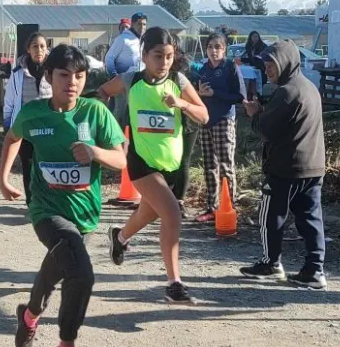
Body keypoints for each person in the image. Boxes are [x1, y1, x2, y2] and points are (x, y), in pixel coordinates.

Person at [0, 44, 126, 347]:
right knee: (81, 274)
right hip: (46, 211)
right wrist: (4, 177)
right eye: (64, 75)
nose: (72, 83)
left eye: (80, 76)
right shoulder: (34, 113)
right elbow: (12, 137)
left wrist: (95, 152)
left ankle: (29, 314)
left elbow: (121, 161)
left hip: (84, 216)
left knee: (56, 268)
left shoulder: (96, 112)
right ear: (49, 77)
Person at [99, 28, 209, 304]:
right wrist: (109, 126)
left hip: (170, 164)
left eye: (170, 56)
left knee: (149, 213)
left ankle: (121, 237)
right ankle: (174, 283)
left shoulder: (178, 80)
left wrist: (182, 103)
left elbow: (204, 116)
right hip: (141, 163)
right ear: (144, 56)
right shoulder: (130, 80)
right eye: (158, 56)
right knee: (172, 213)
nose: (164, 62)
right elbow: (102, 92)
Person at [240, 40, 328, 290]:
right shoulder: (307, 87)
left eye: (272, 63)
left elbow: (266, 129)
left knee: (270, 216)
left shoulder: (287, 91)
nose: (267, 68)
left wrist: (255, 113)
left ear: (286, 63)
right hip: (312, 166)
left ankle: (270, 264)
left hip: (285, 168)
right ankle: (315, 270)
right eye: (265, 63)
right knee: (311, 219)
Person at [194, 33, 245, 223]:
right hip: (205, 119)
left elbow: (239, 96)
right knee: (209, 165)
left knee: (225, 165)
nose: (213, 51)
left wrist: (216, 93)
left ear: (224, 49)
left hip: (224, 119)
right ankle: (211, 206)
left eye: (218, 47)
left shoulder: (230, 67)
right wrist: (199, 93)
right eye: (210, 47)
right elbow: (194, 92)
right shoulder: (203, 69)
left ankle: (228, 205)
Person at [3, 32, 52, 205]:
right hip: (26, 129)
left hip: (50, 129)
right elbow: (10, 100)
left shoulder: (54, 71)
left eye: (42, 46)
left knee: (47, 167)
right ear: (28, 50)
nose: (39, 50)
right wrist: (7, 123)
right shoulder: (18, 73)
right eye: (35, 46)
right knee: (29, 166)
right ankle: (32, 204)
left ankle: (47, 203)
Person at [171, 48, 201, 219]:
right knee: (177, 160)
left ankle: (178, 201)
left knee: (183, 160)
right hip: (174, 118)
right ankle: (169, 199)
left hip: (187, 118)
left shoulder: (186, 69)